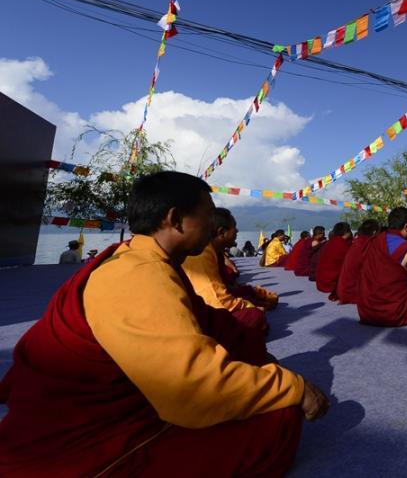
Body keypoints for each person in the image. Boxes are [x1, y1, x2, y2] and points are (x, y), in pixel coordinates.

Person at [0, 171, 328, 476]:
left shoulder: (145, 259)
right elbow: (194, 391)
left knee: (248, 341)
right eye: (208, 213)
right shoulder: (137, 274)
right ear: (175, 219)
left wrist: (258, 360)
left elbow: (208, 319)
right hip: (77, 446)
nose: (215, 223)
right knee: (277, 419)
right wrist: (291, 386)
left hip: (120, 405)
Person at [182, 208, 272, 342]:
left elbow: (224, 286)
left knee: (246, 292)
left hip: (208, 303)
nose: (237, 231)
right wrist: (250, 306)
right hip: (201, 313)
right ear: (221, 232)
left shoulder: (214, 251)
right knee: (255, 316)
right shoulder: (203, 252)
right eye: (234, 227)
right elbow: (217, 299)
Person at [336, 219, 379, 304]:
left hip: (343, 291)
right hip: (353, 293)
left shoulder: (356, 242)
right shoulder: (369, 244)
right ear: (374, 232)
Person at [315, 222, 353, 301]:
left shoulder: (330, 242)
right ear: (347, 232)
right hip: (331, 280)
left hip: (321, 278)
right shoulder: (342, 244)